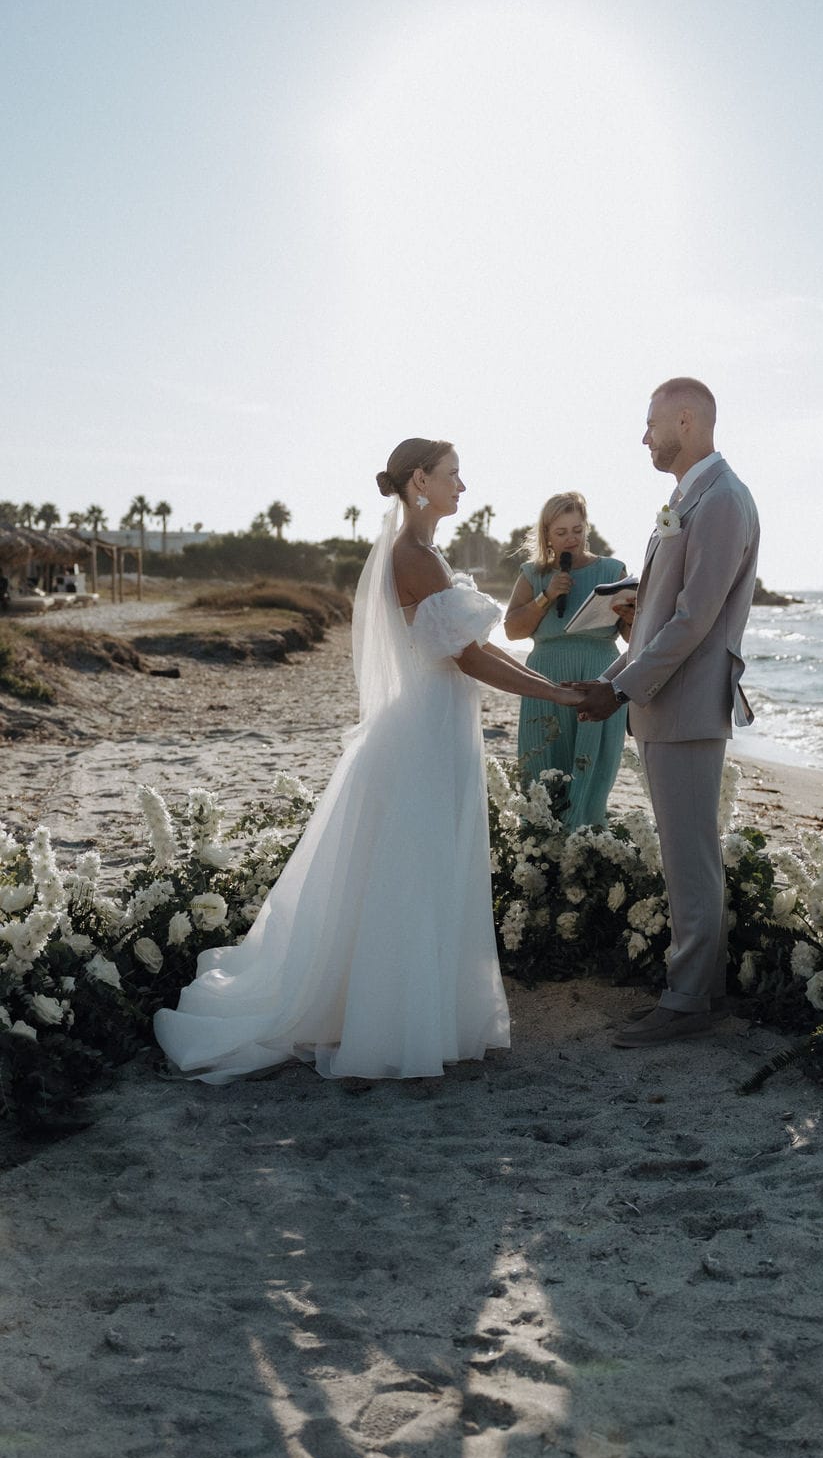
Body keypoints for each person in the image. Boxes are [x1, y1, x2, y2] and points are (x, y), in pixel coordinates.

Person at [154, 438, 585, 1083]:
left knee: (426, 862)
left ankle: (426, 1013)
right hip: (427, 728)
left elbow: (472, 649)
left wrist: (552, 689)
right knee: (413, 867)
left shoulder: (427, 552)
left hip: (438, 723)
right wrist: (556, 691)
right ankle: (398, 1024)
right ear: (420, 481)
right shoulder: (413, 557)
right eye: (453, 476)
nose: (462, 487)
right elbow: (468, 657)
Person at [576, 378, 760, 1048]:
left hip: (684, 704)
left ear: (687, 420)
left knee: (690, 857)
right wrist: (628, 631)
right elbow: (667, 612)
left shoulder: (722, 501)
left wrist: (618, 688)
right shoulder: (686, 499)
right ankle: (694, 989)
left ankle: (687, 1003)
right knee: (685, 855)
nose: (644, 436)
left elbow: (694, 621)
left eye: (652, 424)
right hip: (663, 700)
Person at [503, 492, 628, 828]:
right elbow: (513, 630)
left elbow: (633, 638)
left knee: (593, 769)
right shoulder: (533, 573)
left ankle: (585, 846)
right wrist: (547, 597)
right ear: (546, 535)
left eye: (577, 529)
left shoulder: (612, 569)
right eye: (561, 533)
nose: (571, 538)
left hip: (599, 676)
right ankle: (540, 849)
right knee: (541, 762)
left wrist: (629, 614)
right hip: (545, 677)